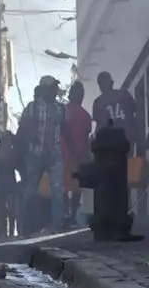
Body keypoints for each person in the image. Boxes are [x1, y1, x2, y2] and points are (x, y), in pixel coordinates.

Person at [17, 75, 66, 236]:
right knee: (30, 190)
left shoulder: (60, 108)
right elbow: (23, 128)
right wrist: (29, 139)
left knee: (57, 190)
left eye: (55, 87)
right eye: (52, 88)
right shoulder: (32, 107)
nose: (54, 91)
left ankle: (56, 226)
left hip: (54, 155)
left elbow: (65, 130)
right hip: (35, 154)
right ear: (44, 89)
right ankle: (24, 226)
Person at [62, 81, 92, 226]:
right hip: (78, 157)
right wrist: (86, 158)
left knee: (61, 187)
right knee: (76, 189)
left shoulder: (62, 110)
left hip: (61, 154)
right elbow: (86, 140)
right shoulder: (86, 116)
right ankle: (72, 215)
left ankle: (62, 216)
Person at [92, 71, 138, 146]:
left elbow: (99, 126)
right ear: (111, 82)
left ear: (100, 86)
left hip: (109, 143)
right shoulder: (124, 94)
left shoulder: (98, 102)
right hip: (126, 139)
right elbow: (135, 114)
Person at [0, 130, 20, 238]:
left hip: (9, 183)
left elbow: (16, 165)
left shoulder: (8, 152)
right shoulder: (0, 153)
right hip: (4, 184)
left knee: (11, 211)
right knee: (4, 211)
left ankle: (10, 232)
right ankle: (5, 232)